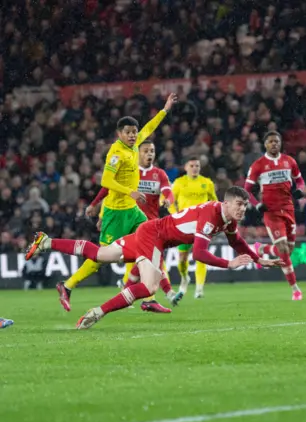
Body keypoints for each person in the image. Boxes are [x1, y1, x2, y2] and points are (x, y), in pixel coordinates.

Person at [26, 187, 284, 329]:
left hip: (150, 232)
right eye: (239, 204)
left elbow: (237, 241)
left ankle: (46, 241)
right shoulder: (211, 215)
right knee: (149, 286)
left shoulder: (226, 220)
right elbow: (198, 253)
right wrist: (229, 263)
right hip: (154, 236)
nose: (242, 209)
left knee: (101, 254)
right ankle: (97, 313)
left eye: (245, 206)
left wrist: (259, 260)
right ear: (225, 203)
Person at [55, 93, 178, 312]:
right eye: (128, 133)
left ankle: (148, 296)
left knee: (153, 240)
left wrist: (165, 109)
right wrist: (129, 192)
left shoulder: (135, 144)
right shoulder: (116, 152)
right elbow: (105, 180)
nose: (132, 136)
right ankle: (67, 285)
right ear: (119, 134)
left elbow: (149, 128)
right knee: (100, 256)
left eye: (133, 132)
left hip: (133, 211)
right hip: (116, 212)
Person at [88, 140, 176, 313]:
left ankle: (133, 292)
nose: (149, 154)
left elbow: (168, 192)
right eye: (146, 151)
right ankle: (162, 294)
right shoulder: (130, 173)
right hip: (130, 223)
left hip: (151, 225)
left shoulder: (159, 174)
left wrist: (168, 200)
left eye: (152, 151)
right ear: (138, 153)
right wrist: (100, 213)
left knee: (146, 260)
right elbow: (109, 190)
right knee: (146, 259)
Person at [244, 131, 306, 300]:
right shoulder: (258, 165)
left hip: (288, 210)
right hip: (271, 213)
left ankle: (261, 249)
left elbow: (300, 180)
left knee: (288, 249)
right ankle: (295, 289)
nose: (274, 144)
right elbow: (246, 190)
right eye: (270, 142)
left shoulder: (289, 161)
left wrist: (300, 189)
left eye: (276, 141)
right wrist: (257, 205)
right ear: (265, 145)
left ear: (280, 143)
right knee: (283, 250)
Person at [171, 157, 218, 298]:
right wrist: (175, 215)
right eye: (191, 165)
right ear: (185, 167)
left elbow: (215, 202)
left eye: (197, 165)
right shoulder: (179, 183)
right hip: (184, 225)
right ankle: (185, 278)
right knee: (182, 258)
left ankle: (199, 289)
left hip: (202, 225)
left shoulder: (207, 183)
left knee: (201, 255)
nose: (195, 168)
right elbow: (169, 201)